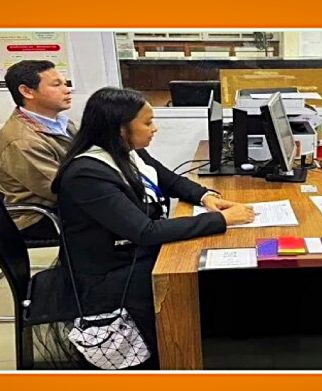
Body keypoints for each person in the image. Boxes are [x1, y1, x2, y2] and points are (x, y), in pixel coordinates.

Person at [51, 87, 255, 368]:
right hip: (110, 273)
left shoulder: (128, 152)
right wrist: (222, 220)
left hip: (132, 252)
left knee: (210, 262)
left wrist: (205, 197)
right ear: (120, 129)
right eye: (147, 123)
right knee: (201, 270)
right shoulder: (86, 174)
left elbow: (169, 180)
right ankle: (183, 353)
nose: (154, 128)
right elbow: (144, 232)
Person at [0, 60, 74, 241]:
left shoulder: (61, 123)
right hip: (39, 218)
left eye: (65, 83)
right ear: (27, 91)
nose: (67, 90)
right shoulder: (22, 140)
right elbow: (60, 189)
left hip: (64, 204)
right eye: (57, 85)